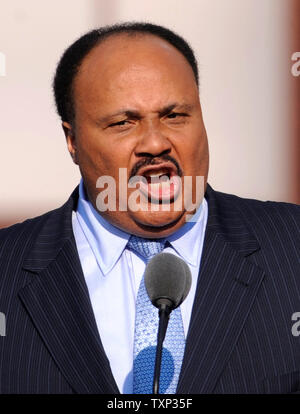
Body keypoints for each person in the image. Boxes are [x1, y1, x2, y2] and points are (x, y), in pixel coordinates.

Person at [0, 22, 299, 395]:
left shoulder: (293, 248)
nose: (156, 143)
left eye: (175, 116)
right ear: (72, 140)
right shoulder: (6, 271)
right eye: (124, 123)